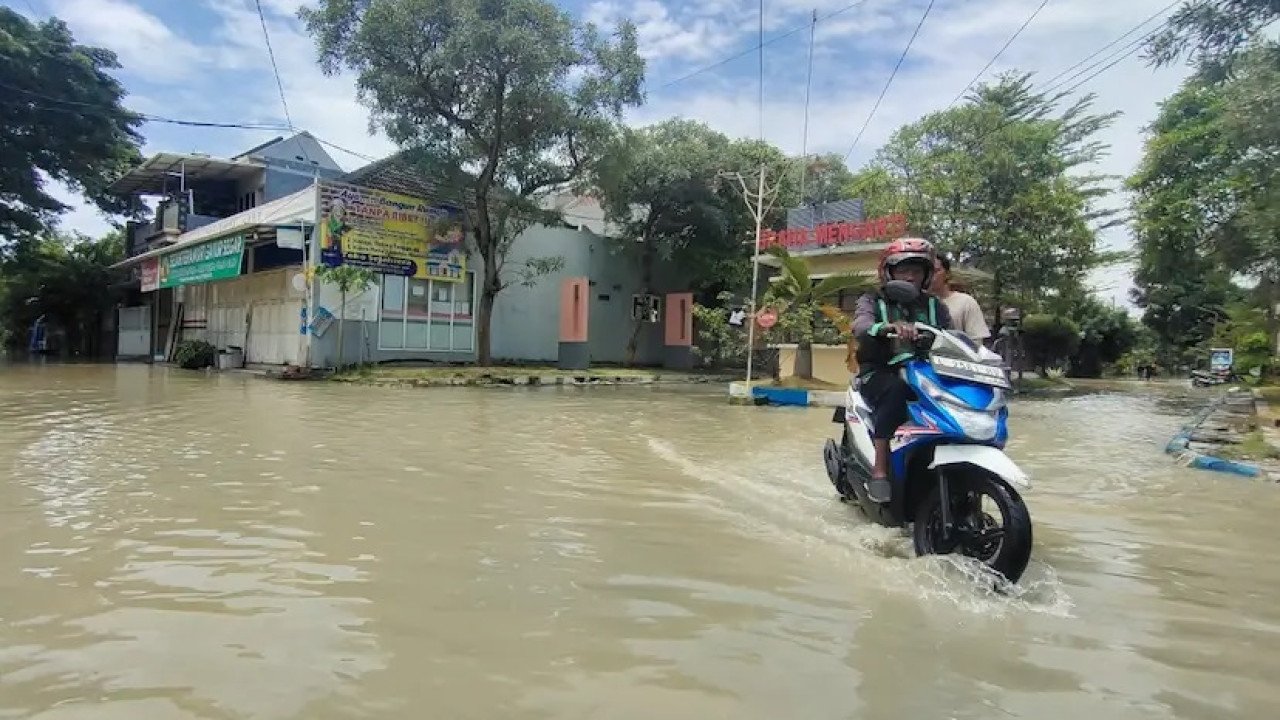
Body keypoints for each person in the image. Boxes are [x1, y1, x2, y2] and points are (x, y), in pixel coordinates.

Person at [851, 238, 953, 503]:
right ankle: (880, 469)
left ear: (926, 275)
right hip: (880, 372)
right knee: (895, 391)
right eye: (903, 270)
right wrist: (886, 328)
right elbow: (861, 325)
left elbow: (954, 338)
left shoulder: (935, 306)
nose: (910, 276)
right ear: (889, 272)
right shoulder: (872, 299)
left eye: (916, 271)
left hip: (926, 373)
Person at [930, 254, 990, 345]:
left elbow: (976, 341)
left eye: (936, 271)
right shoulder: (916, 302)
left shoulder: (965, 302)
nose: (931, 276)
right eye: (927, 271)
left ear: (947, 274)